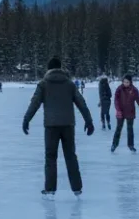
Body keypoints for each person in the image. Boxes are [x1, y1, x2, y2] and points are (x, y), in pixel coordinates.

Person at [23, 57, 95, 198]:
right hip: (68, 125)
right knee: (70, 156)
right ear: (61, 68)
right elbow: (81, 102)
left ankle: (50, 189)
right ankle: (77, 188)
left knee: (50, 157)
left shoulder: (44, 84)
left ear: (48, 69)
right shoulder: (69, 84)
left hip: (51, 126)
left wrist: (27, 119)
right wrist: (89, 120)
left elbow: (34, 103)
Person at [111, 75, 139, 152]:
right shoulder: (119, 89)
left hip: (130, 112)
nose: (125, 83)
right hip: (121, 112)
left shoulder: (134, 90)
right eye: (124, 82)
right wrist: (118, 110)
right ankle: (114, 144)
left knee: (130, 129)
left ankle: (131, 145)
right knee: (118, 128)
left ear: (130, 82)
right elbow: (116, 100)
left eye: (127, 82)